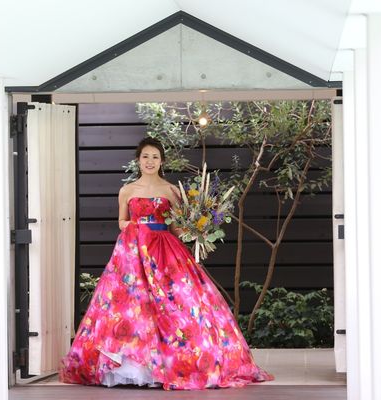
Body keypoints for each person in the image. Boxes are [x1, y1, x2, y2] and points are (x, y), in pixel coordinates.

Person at [60, 137, 272, 390]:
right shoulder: (127, 190)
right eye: (145, 157)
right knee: (131, 304)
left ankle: (173, 364)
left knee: (175, 303)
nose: (150, 161)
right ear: (138, 160)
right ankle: (133, 366)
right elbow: (121, 221)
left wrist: (197, 228)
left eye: (155, 157)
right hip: (134, 254)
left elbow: (175, 228)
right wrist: (137, 228)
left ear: (162, 161)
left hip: (164, 251)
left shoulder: (171, 191)